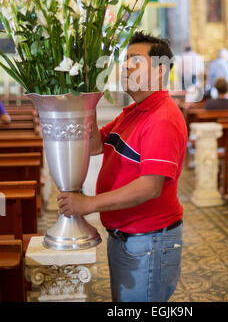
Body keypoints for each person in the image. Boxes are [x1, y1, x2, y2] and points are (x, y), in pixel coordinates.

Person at [57, 31, 187, 302]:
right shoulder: (133, 112)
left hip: (148, 239)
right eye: (125, 59)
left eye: (135, 60)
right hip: (128, 236)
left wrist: (88, 204)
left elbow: (149, 187)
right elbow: (94, 146)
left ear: (159, 70)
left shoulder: (162, 117)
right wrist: (89, 101)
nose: (125, 66)